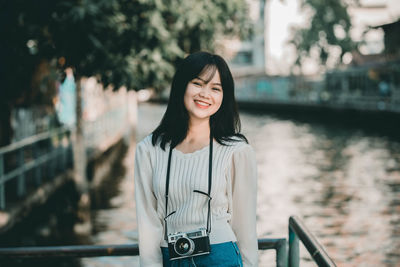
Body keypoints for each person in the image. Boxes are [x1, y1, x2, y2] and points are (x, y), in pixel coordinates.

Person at [134, 51, 258, 266]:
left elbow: (245, 226)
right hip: (170, 256)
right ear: (182, 86)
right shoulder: (149, 150)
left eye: (216, 88)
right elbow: (147, 225)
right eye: (198, 83)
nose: (205, 94)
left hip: (221, 256)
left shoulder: (236, 151)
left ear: (224, 96)